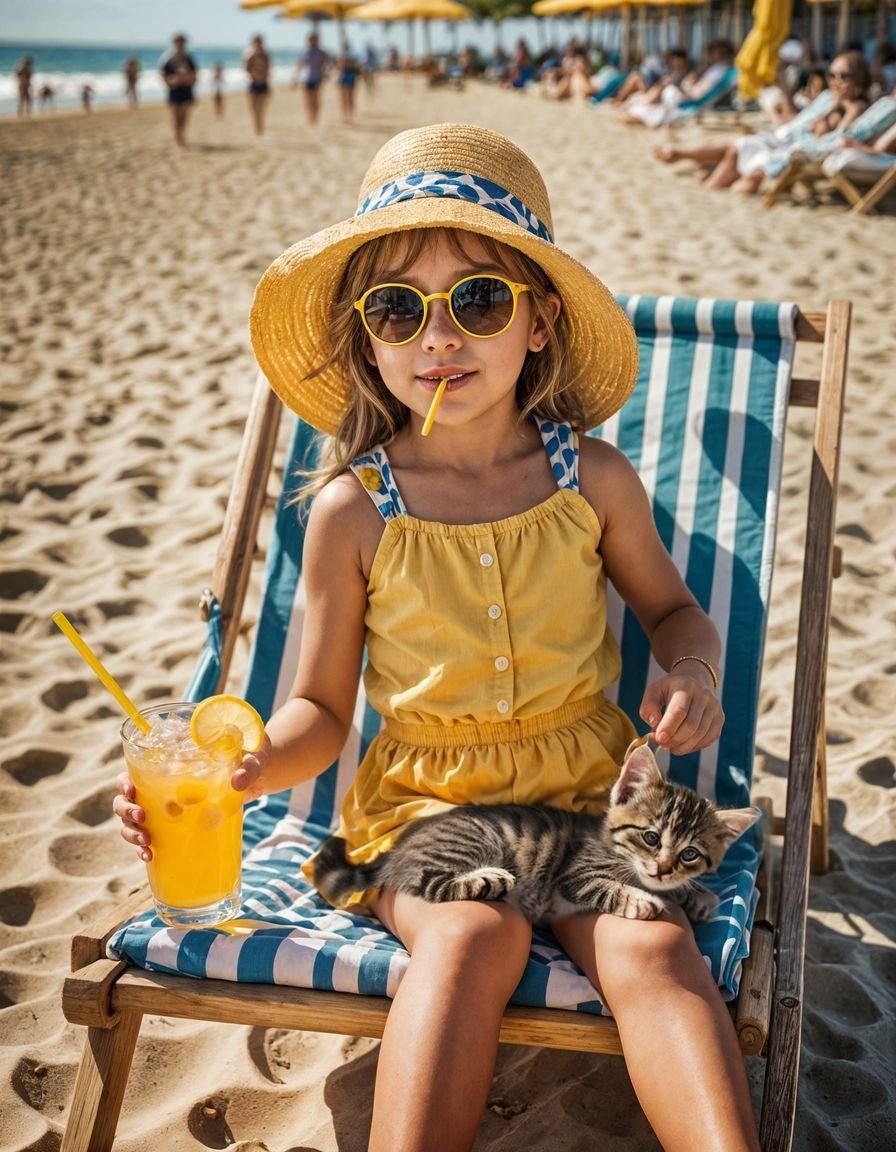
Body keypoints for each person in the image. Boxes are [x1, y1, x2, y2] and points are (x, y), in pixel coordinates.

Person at [113, 122, 760, 1152]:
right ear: (367, 338)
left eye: (478, 300)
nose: (437, 338)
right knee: (468, 937)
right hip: (428, 809)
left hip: (589, 797)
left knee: (650, 950)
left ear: (540, 322)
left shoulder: (591, 481)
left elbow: (673, 612)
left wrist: (690, 668)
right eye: (397, 310)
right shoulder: (353, 513)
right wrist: (240, 768)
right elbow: (321, 711)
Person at [656, 50, 872, 195]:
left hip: (798, 151)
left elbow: (838, 139)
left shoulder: (855, 107)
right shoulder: (828, 99)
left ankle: (694, 170)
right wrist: (784, 85)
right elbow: (795, 121)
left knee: (735, 151)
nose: (835, 81)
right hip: (788, 140)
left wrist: (833, 110)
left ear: (859, 79)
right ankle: (691, 163)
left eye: (843, 76)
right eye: (831, 75)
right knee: (737, 148)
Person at [159, 34, 198, 148]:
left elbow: (195, 77)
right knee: (175, 117)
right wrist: (174, 81)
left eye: (182, 42)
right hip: (174, 91)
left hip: (186, 90)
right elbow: (163, 77)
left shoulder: (189, 59)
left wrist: (186, 79)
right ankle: (177, 138)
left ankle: (181, 137)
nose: (180, 44)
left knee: (184, 117)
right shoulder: (168, 59)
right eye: (178, 42)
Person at [296, 32, 327, 126]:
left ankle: (315, 118)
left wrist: (325, 75)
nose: (312, 41)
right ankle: (310, 118)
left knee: (316, 100)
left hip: (317, 78)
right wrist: (295, 78)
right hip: (306, 78)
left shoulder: (321, 52)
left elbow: (324, 66)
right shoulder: (305, 52)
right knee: (308, 100)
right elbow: (300, 65)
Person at [243, 34, 271, 135]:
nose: (258, 44)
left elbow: (269, 69)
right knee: (253, 109)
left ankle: (260, 126)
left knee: (261, 108)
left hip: (263, 83)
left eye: (259, 42)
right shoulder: (249, 54)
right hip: (253, 84)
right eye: (256, 42)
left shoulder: (265, 55)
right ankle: (257, 127)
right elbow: (246, 69)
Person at [335, 46, 360, 124]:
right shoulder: (345, 56)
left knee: (349, 98)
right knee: (345, 99)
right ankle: (346, 116)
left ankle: (349, 116)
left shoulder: (347, 56)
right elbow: (339, 67)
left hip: (348, 76)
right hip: (345, 77)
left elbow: (340, 66)